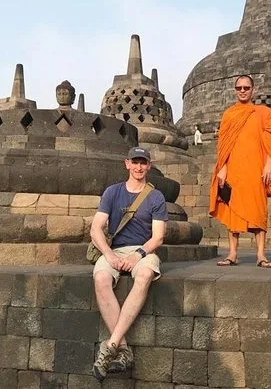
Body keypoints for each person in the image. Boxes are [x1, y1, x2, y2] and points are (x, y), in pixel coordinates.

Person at [90, 146, 167, 381]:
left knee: (144, 276)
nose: (139, 167)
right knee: (101, 278)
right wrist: (109, 255)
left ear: (149, 166)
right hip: (114, 250)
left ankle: (110, 345)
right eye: (135, 162)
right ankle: (123, 349)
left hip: (143, 250)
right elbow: (96, 228)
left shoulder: (155, 197)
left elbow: (158, 237)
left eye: (143, 163)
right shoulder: (112, 192)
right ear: (127, 164)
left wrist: (138, 255)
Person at [209, 74, 271, 268]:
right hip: (233, 169)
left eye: (246, 88)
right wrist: (222, 168)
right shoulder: (229, 114)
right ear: (235, 90)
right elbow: (223, 144)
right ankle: (232, 254)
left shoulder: (264, 113)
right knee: (232, 210)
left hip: (257, 169)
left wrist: (269, 164)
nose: (242, 91)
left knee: (258, 209)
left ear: (253, 90)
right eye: (239, 88)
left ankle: (261, 255)